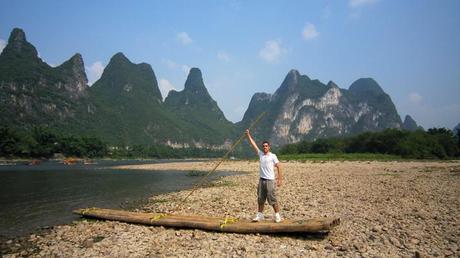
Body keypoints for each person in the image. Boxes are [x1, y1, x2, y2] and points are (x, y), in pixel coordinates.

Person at [245, 129, 282, 223]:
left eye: (266, 146)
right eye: (264, 146)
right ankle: (260, 215)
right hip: (261, 180)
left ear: (269, 147)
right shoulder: (261, 154)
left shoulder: (273, 156)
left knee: (272, 198)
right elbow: (253, 144)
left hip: (270, 180)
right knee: (260, 199)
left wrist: (279, 179)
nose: (265, 147)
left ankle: (277, 215)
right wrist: (248, 135)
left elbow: (279, 166)